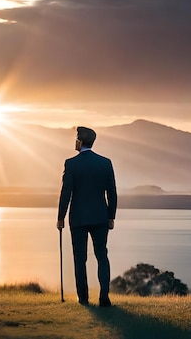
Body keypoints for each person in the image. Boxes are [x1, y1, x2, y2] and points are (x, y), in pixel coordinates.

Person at [57, 126, 117, 307]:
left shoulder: (71, 163)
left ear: (80, 141)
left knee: (79, 258)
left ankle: (83, 298)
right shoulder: (105, 163)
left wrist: (60, 217)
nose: (75, 141)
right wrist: (111, 216)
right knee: (102, 256)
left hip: (78, 219)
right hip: (100, 217)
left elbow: (65, 193)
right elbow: (112, 193)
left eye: (76, 138)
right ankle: (104, 297)